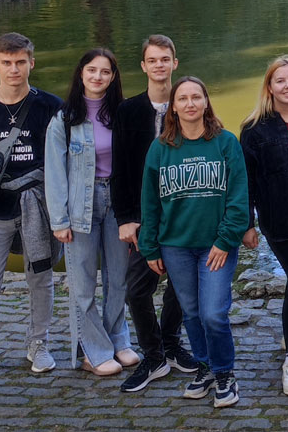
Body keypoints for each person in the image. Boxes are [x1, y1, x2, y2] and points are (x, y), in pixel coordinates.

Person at [139, 76, 249, 409]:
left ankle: (225, 373)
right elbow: (150, 201)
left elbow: (238, 198)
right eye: (183, 98)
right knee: (190, 313)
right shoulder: (161, 147)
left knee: (213, 313)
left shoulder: (226, 143)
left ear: (205, 102)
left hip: (216, 245)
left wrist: (225, 240)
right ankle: (205, 367)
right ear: (173, 106)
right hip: (176, 246)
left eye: (196, 97)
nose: (190, 104)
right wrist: (150, 246)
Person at [112, 35, 198, 393]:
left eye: (166, 59)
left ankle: (172, 342)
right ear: (144, 66)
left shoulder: (190, 106)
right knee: (136, 288)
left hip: (182, 216)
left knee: (181, 286)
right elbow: (120, 169)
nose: (160, 65)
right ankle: (152, 354)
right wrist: (126, 218)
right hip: (142, 218)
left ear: (175, 63)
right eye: (153, 60)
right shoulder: (128, 111)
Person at [0, 33, 62, 378]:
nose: (14, 69)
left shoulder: (50, 106)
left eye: (20, 62)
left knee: (40, 280)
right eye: (7, 63)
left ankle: (38, 345)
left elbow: (62, 157)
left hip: (38, 208)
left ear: (31, 64)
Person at [45, 48, 137, 376]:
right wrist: (59, 220)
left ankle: (117, 339)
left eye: (105, 72)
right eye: (92, 70)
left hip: (117, 203)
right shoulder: (64, 119)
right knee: (83, 283)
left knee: (119, 279)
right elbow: (54, 172)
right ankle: (94, 351)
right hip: (79, 207)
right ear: (81, 73)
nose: (98, 77)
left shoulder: (122, 114)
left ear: (113, 77)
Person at [240, 56, 288, 396]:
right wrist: (247, 224)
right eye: (280, 80)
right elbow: (245, 182)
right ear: (269, 87)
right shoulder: (255, 129)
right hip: (281, 219)